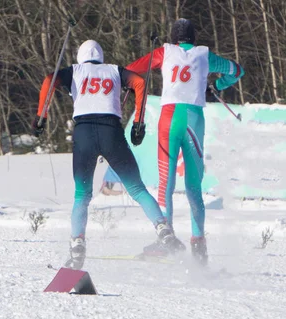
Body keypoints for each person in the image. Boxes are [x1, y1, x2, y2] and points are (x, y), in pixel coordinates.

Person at [32, 39, 184, 270]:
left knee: (81, 195)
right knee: (137, 189)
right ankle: (163, 230)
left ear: (80, 57)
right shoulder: (114, 70)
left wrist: (41, 116)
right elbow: (139, 83)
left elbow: (48, 80)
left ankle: (77, 248)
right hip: (111, 133)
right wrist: (138, 124)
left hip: (84, 135)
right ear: (101, 57)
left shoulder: (74, 71)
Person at [126, 18, 245, 265]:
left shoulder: (165, 51)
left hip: (169, 120)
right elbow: (237, 71)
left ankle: (166, 241)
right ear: (194, 37)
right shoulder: (205, 55)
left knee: (165, 182)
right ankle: (199, 245)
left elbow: (132, 69)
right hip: (194, 120)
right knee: (193, 186)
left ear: (174, 37)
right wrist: (218, 85)